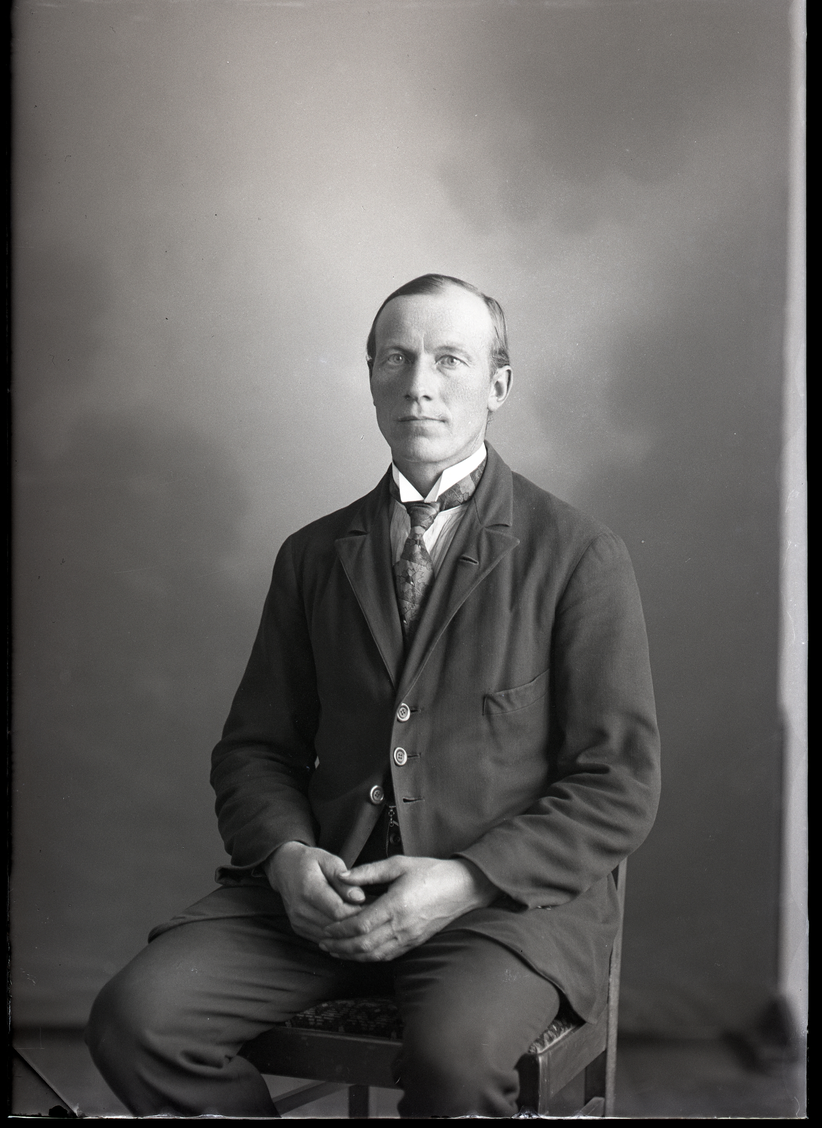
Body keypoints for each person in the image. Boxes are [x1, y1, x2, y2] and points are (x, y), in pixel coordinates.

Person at [86, 273, 660, 1117]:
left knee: (455, 1062)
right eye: (396, 358)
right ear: (371, 378)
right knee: (136, 1020)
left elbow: (618, 784)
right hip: (326, 901)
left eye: (450, 360)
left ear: (499, 385)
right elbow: (255, 751)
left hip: (496, 911)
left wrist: (465, 880)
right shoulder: (313, 555)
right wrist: (287, 859)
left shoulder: (578, 555)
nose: (418, 384)